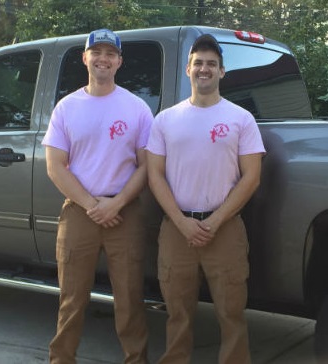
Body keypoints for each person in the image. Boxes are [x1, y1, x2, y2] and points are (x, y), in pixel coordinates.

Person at [146, 34, 265, 364]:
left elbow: (251, 176)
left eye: (211, 64)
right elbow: (154, 175)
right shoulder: (165, 120)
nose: (204, 69)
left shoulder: (241, 119)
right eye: (198, 63)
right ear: (188, 69)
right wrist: (182, 222)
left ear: (222, 72)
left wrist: (214, 221)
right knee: (177, 315)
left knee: (231, 315)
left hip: (224, 229)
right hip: (176, 228)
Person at [42, 28, 153, 364]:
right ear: (85, 58)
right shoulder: (67, 107)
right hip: (79, 212)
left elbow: (148, 166)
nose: (103, 59)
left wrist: (116, 203)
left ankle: (137, 359)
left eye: (110, 54)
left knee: (130, 298)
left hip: (125, 212)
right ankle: (62, 359)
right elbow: (55, 167)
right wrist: (93, 206)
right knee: (72, 298)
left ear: (119, 62)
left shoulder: (137, 108)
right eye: (97, 52)